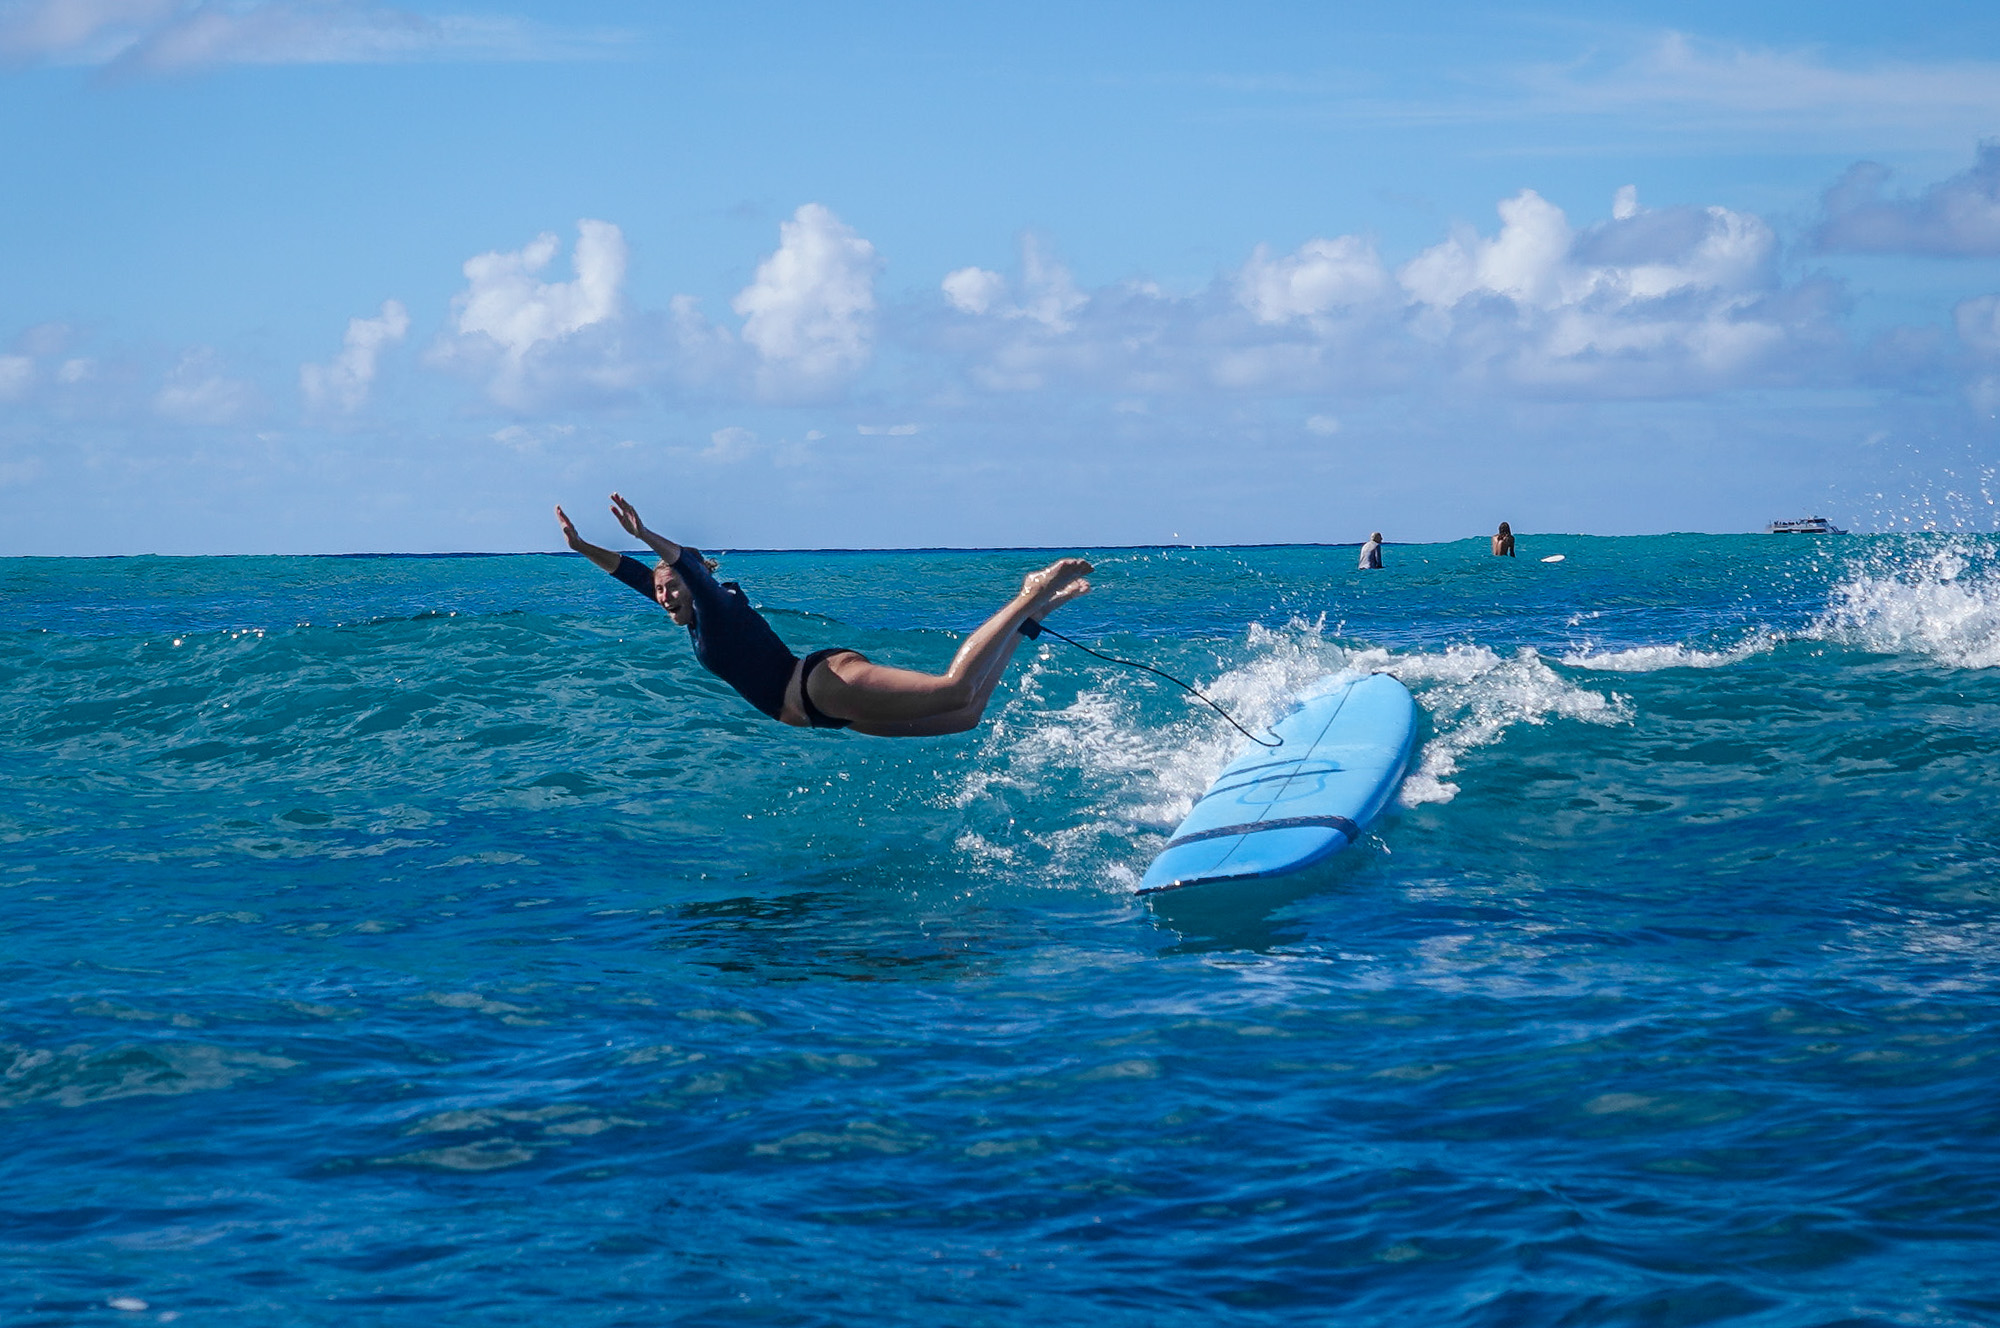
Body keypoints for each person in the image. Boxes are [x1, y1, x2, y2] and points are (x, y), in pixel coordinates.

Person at [554, 494, 1092, 737]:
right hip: (829, 714)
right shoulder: (689, 613)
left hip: (823, 686)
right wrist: (582, 548)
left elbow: (686, 568)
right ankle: (1031, 619)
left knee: (953, 689)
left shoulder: (711, 607)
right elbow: (634, 573)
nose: (663, 596)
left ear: (693, 587)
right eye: (659, 592)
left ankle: (1030, 591)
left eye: (671, 588)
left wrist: (646, 535)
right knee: (965, 717)